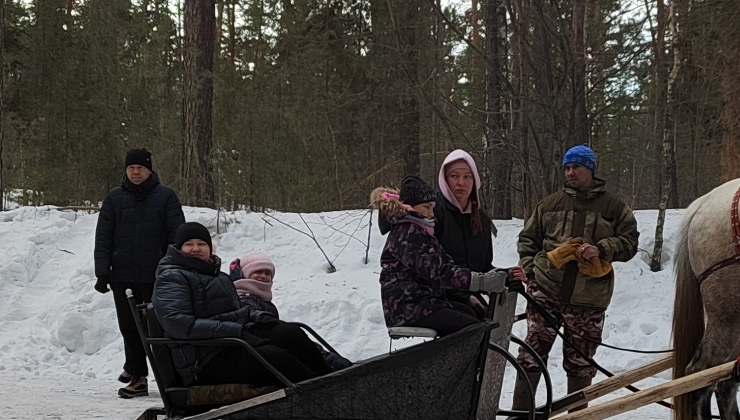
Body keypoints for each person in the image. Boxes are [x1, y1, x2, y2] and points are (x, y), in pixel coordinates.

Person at [513, 145, 638, 420]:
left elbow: (630, 242)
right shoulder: (549, 204)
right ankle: (518, 417)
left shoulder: (614, 208)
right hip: (546, 289)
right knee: (531, 352)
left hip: (589, 296)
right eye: (567, 167)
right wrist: (532, 270)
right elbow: (527, 240)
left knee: (581, 359)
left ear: (590, 170)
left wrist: (603, 248)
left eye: (577, 167)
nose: (570, 172)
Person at [152, 221, 344, 392]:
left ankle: (335, 381)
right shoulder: (172, 277)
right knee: (273, 358)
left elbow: (235, 313)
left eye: (202, 244)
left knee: (290, 334)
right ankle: (322, 394)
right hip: (202, 361)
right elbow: (178, 324)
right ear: (179, 249)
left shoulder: (217, 276)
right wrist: (236, 331)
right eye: (189, 244)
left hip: (226, 344)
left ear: (210, 249)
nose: (196, 248)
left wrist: (258, 319)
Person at [94, 148, 184, 397]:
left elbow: (177, 236)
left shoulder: (165, 197)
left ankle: (171, 378)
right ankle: (137, 377)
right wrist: (103, 273)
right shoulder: (114, 199)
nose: (136, 172)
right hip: (123, 277)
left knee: (159, 329)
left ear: (149, 170)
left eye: (140, 168)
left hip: (158, 277)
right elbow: (103, 238)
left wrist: (176, 269)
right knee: (130, 328)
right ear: (126, 170)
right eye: (131, 168)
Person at [374, 174, 507, 334]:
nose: (431, 213)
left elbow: (445, 264)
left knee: (475, 313)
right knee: (471, 329)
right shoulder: (407, 233)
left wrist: (465, 297)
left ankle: (470, 358)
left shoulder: (421, 230)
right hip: (406, 307)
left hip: (425, 301)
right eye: (426, 207)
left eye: (432, 207)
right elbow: (439, 272)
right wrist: (480, 282)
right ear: (410, 207)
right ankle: (460, 359)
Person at [434, 150, 495, 273]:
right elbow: (430, 269)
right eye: (454, 176)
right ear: (444, 179)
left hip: (474, 291)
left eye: (467, 176)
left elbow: (484, 268)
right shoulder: (432, 212)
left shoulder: (482, 219)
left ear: (475, 181)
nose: (461, 183)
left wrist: (507, 276)